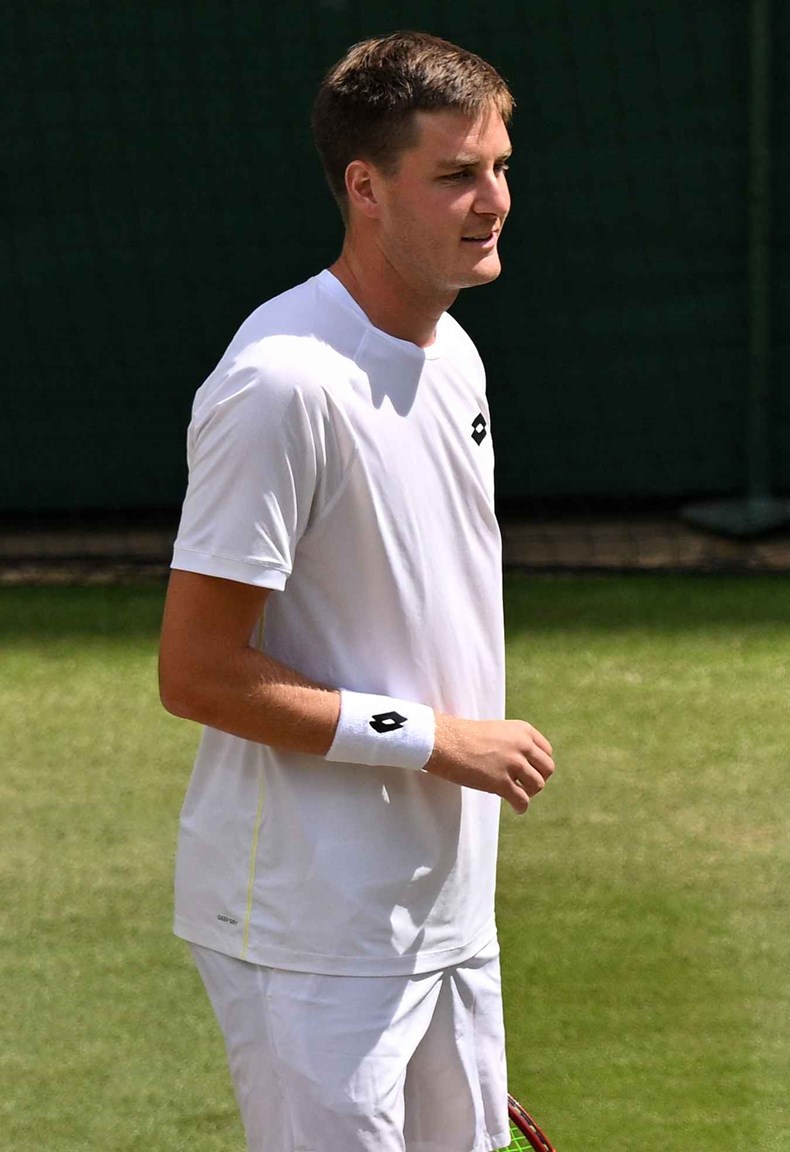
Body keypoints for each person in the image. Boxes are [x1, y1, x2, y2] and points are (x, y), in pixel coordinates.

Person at [157, 31, 552, 1152]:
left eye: (501, 167)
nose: (494, 201)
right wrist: (435, 739)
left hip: (443, 907)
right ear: (365, 188)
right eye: (457, 175)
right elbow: (197, 673)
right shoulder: (281, 386)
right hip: (308, 924)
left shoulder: (455, 354)